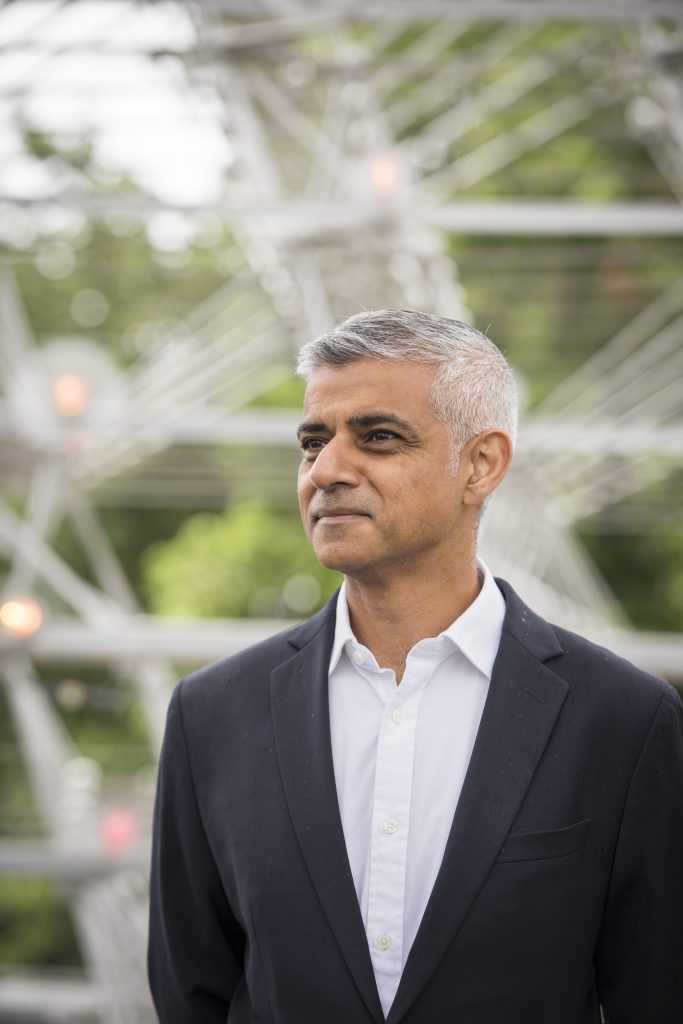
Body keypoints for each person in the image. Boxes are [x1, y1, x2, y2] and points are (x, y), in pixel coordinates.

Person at [148, 310, 683, 1024]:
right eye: (313, 442)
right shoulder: (212, 715)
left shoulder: (622, 719)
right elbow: (191, 994)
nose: (327, 470)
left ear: (481, 464)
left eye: (378, 437)